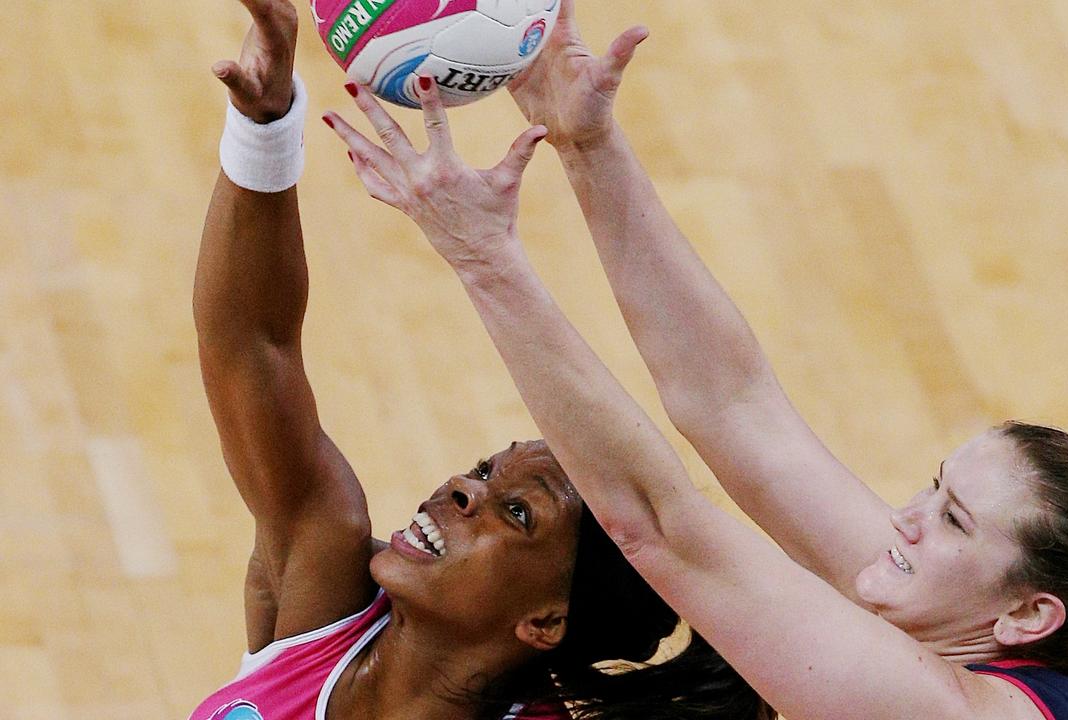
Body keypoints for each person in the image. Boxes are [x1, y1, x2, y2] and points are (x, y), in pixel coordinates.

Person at [322, 1, 1068, 719]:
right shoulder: (961, 614)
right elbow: (732, 403)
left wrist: (485, 261)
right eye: (935, 489)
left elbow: (653, 524)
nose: (902, 518)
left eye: (953, 520)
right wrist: (587, 145)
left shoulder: (935, 711)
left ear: (1026, 615)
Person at [190, 2, 772, 719]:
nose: (464, 488)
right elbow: (252, 347)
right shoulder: (323, 585)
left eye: (517, 513)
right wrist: (266, 127)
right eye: (489, 471)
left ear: (546, 623)